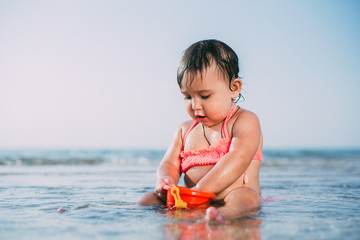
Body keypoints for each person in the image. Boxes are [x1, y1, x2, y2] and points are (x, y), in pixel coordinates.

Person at [137, 39, 263, 222]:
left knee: (246, 198)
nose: (195, 105)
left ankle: (220, 217)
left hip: (229, 199)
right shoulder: (184, 130)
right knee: (147, 199)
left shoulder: (244, 121)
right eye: (187, 97)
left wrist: (200, 190)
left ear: (234, 89)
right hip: (193, 201)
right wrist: (165, 180)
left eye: (205, 96)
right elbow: (170, 164)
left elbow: (238, 158)